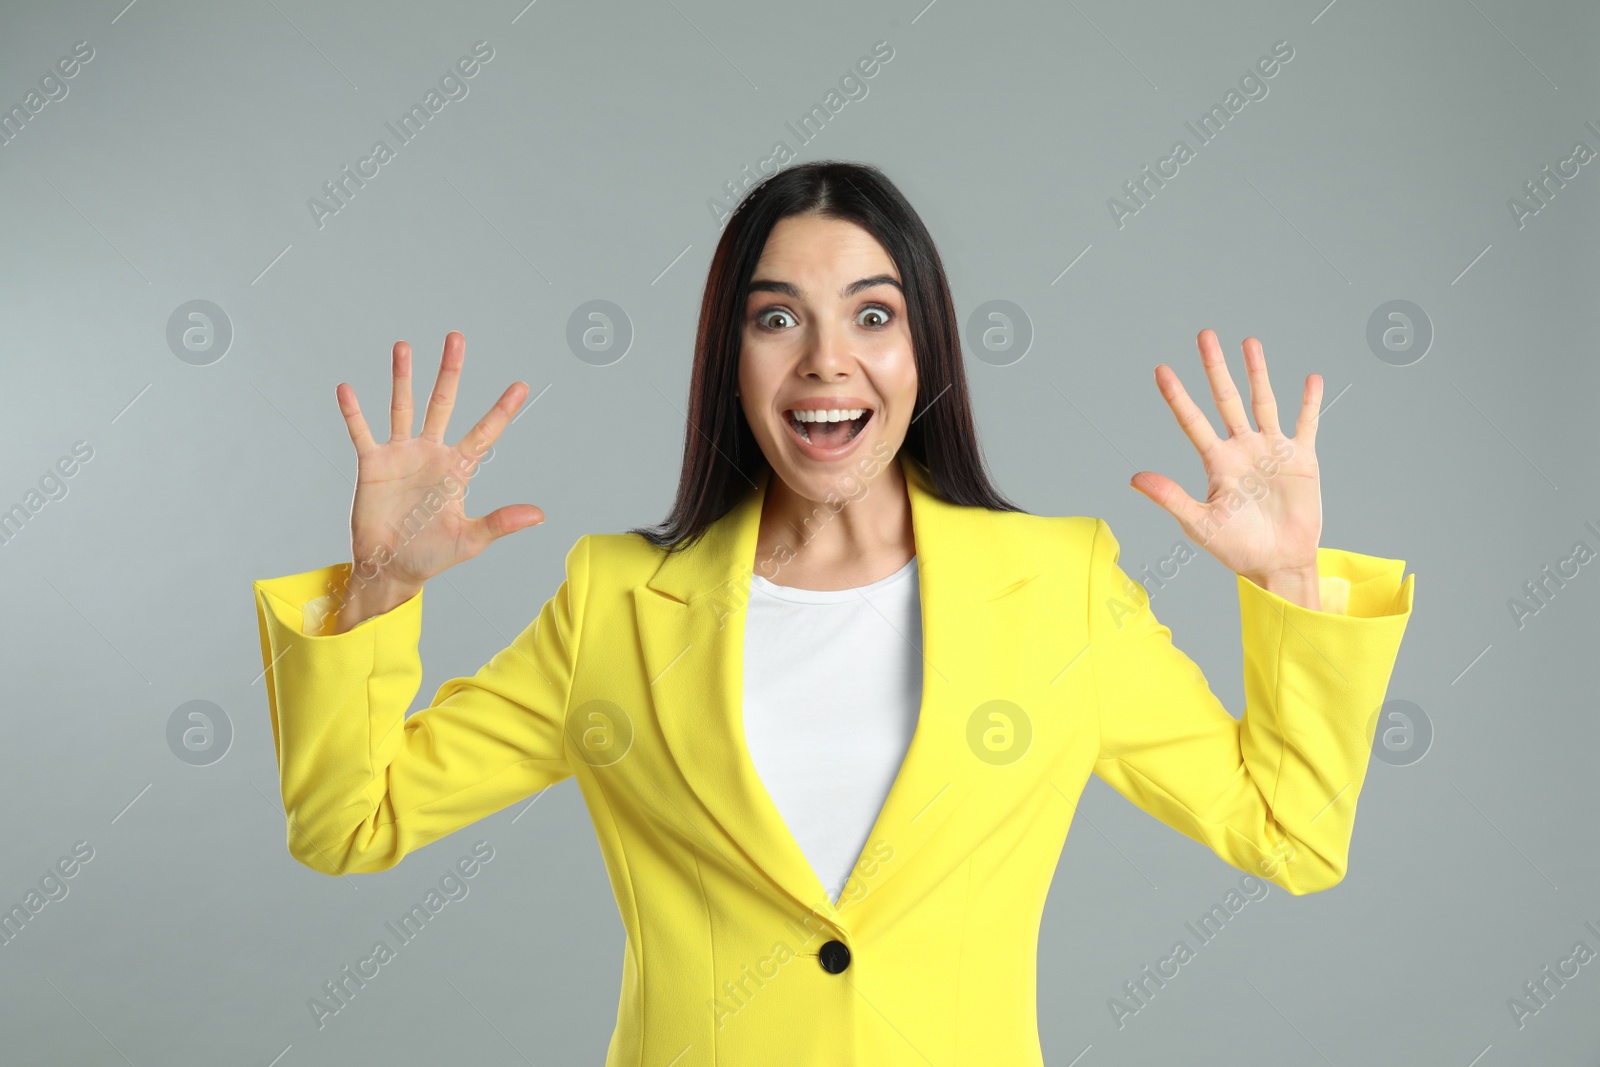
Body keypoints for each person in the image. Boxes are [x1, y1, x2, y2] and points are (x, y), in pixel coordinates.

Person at [251, 160, 1415, 1065]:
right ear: (731, 356)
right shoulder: (617, 602)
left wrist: (1286, 588)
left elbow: (1291, 833)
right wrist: (378, 594)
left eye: (871, 315)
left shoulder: (1061, 589)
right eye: (775, 319)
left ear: (924, 349)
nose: (825, 362)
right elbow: (350, 823)